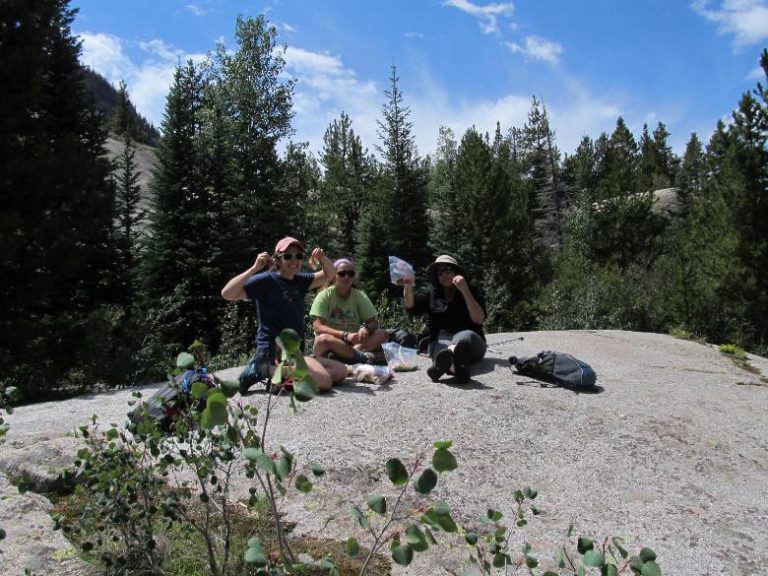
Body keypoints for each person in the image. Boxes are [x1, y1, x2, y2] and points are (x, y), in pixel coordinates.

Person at [221, 236, 348, 394]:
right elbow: (227, 293)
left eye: (299, 256)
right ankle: (263, 370)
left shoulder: (301, 281)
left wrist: (322, 257)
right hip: (272, 352)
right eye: (288, 256)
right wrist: (254, 268)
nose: (294, 260)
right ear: (277, 260)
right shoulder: (266, 281)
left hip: (295, 353)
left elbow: (330, 274)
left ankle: (281, 381)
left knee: (341, 371)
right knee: (324, 381)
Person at [401, 255, 486, 383]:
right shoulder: (431, 294)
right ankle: (458, 369)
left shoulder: (470, 289)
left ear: (456, 273)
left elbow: (479, 319)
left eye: (447, 270)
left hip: (471, 342)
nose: (444, 274)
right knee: (443, 349)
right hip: (440, 342)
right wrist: (407, 287)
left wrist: (465, 290)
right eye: (440, 272)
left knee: (463, 336)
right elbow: (411, 308)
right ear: (437, 277)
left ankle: (449, 363)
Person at [310, 258, 390, 365]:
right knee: (322, 340)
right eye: (342, 273)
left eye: (350, 273)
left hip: (355, 342)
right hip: (333, 341)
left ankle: (345, 357)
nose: (346, 277)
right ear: (334, 276)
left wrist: (366, 329)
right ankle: (361, 357)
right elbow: (318, 327)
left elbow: (373, 322)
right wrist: (344, 335)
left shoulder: (359, 296)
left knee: (382, 334)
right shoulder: (324, 296)